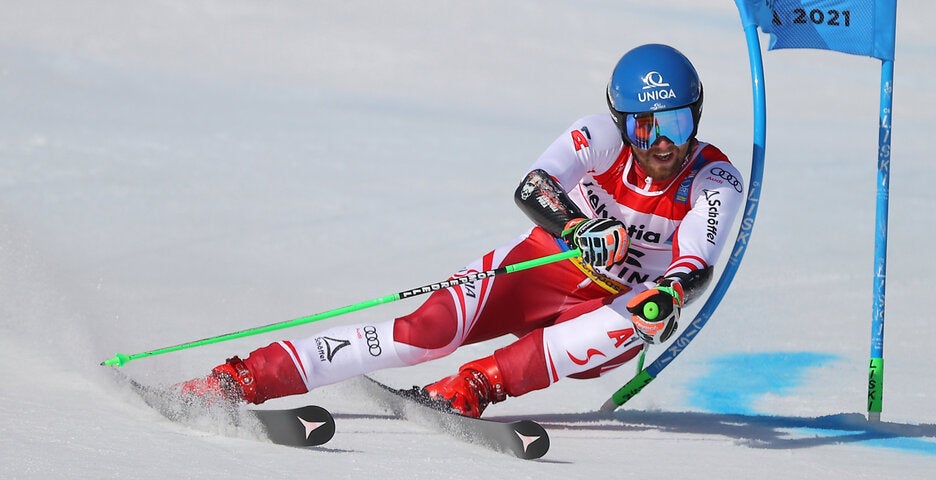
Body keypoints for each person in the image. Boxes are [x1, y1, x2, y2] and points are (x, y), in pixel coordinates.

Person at [177, 44, 745, 418]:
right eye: (645, 128)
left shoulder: (715, 178)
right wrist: (579, 226)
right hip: (542, 265)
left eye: (676, 123)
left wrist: (668, 296)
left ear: (697, 116)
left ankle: (472, 388)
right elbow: (534, 186)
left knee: (638, 316)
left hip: (613, 306)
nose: (662, 143)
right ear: (622, 123)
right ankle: (244, 379)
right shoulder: (597, 136)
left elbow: (695, 264)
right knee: (421, 333)